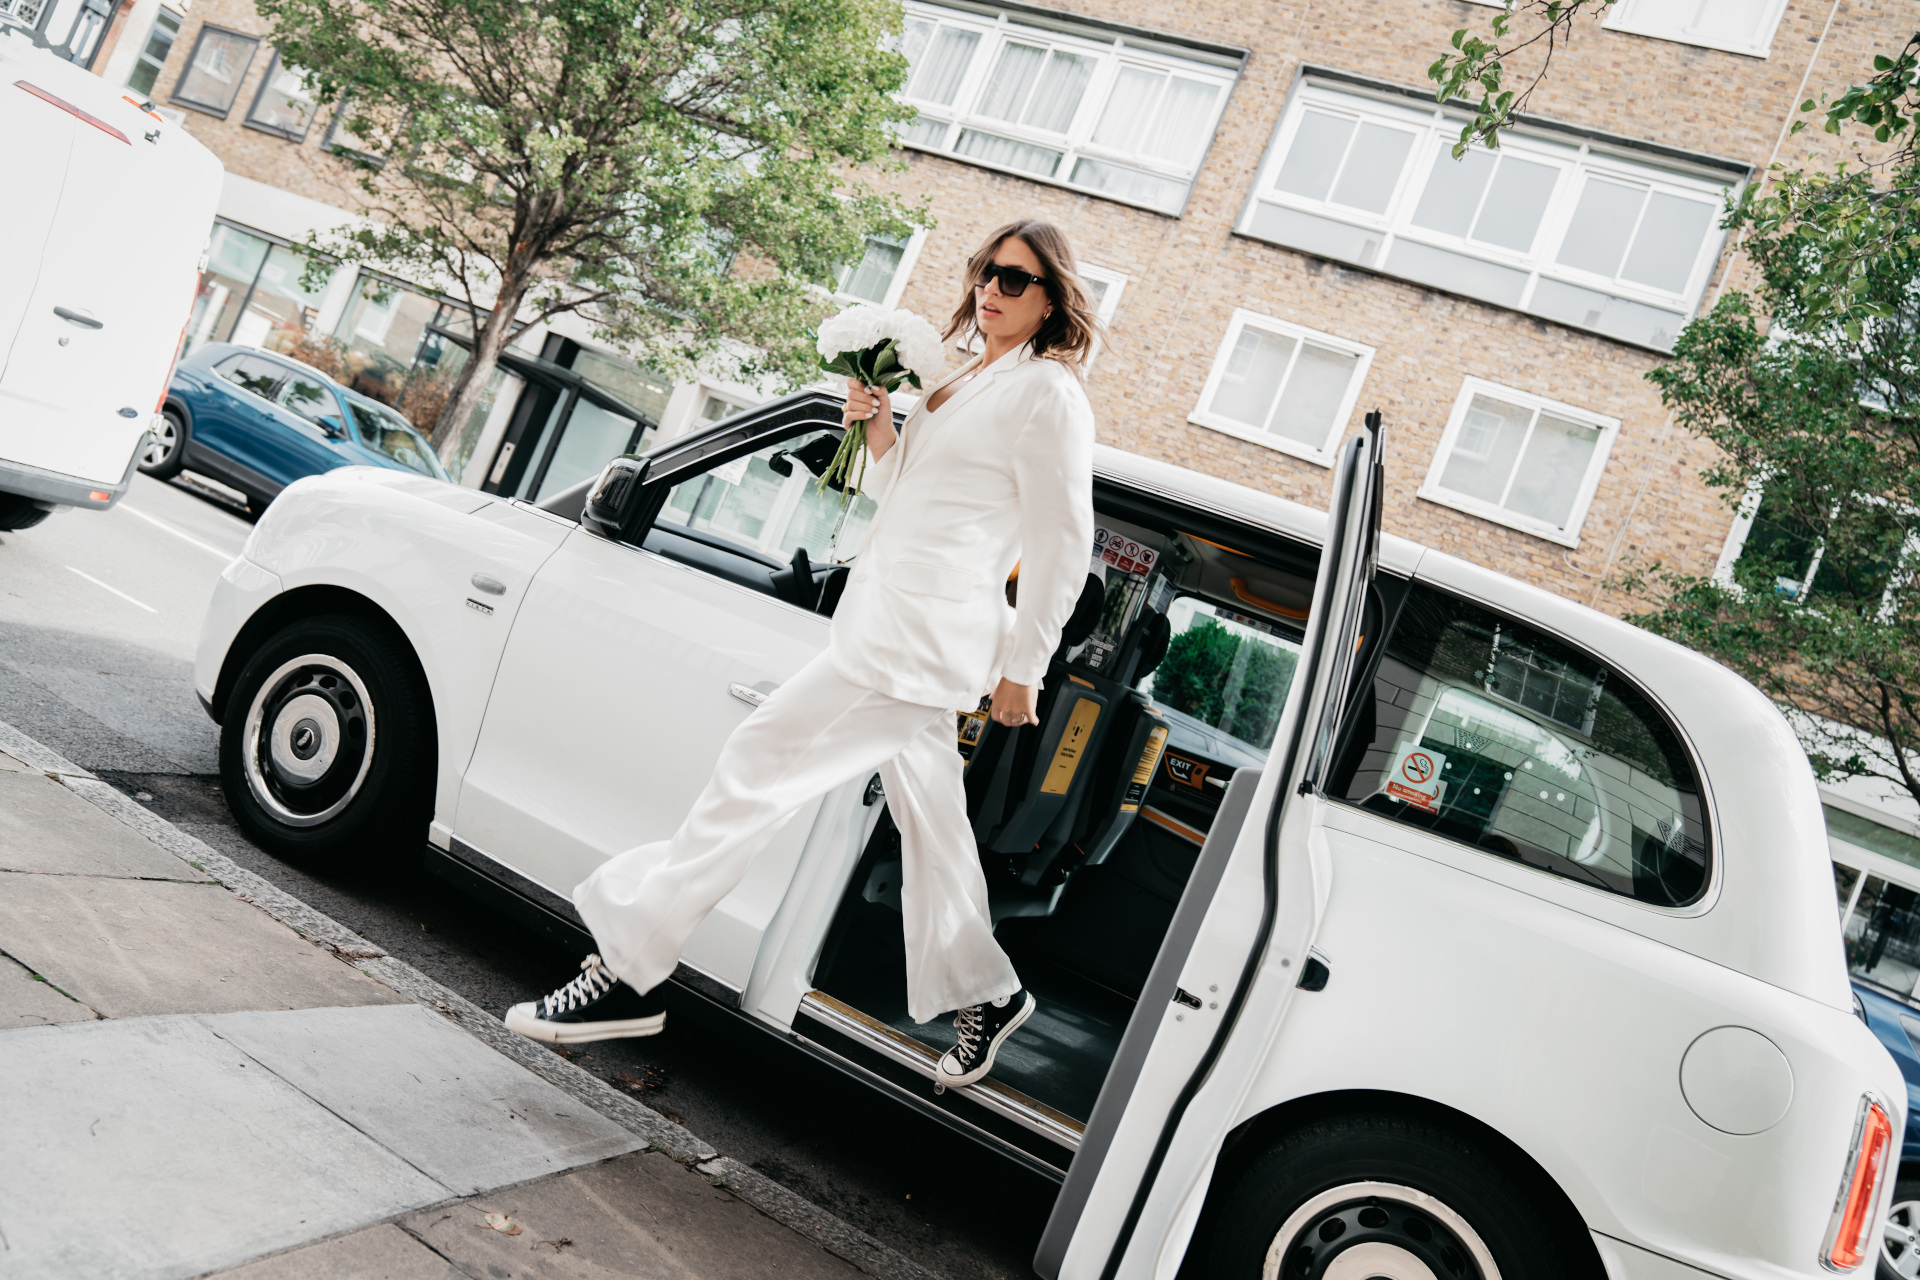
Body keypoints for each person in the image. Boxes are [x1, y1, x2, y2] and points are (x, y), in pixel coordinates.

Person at [505, 220, 1098, 1090]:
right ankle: (989, 992)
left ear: (1052, 298)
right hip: (885, 620)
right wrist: (879, 430)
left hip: (917, 643)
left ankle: (628, 970)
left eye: (1016, 279)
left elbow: (1063, 543)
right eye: (986, 273)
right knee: (931, 823)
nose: (993, 291)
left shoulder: (1049, 393)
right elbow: (908, 499)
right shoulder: (964, 372)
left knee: (758, 762)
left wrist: (1026, 668)